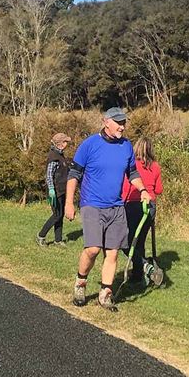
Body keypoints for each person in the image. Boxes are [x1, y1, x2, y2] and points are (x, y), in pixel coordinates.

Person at [65, 107, 152, 312]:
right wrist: (69, 202)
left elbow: (132, 173)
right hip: (92, 204)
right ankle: (81, 282)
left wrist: (143, 190)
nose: (122, 126)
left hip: (116, 207)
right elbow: (74, 174)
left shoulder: (126, 146)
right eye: (118, 122)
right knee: (93, 249)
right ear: (106, 122)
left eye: (124, 123)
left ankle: (105, 294)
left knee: (112, 253)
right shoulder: (89, 145)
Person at [121, 137, 163, 286]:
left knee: (126, 242)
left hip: (133, 204)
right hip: (150, 205)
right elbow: (159, 190)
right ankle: (139, 275)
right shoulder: (156, 166)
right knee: (140, 242)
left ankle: (145, 267)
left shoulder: (131, 165)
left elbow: (125, 187)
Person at [37, 133, 72, 247]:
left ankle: (58, 240)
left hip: (61, 190)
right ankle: (41, 236)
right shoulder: (53, 156)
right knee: (56, 215)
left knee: (60, 215)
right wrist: (51, 189)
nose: (67, 144)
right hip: (54, 191)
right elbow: (49, 175)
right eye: (65, 142)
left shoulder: (60, 155)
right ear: (60, 144)